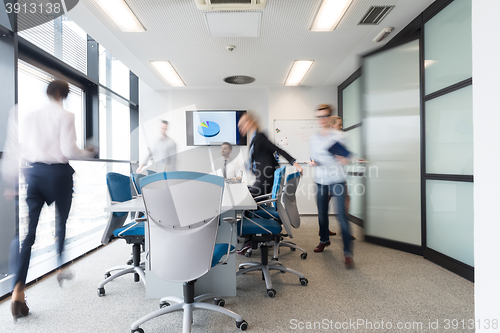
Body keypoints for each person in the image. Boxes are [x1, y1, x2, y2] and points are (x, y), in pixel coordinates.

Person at [1, 80, 96, 320]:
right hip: (58, 175)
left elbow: (16, 149)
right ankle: (61, 265)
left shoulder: (30, 115)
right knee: (61, 221)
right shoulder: (66, 115)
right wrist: (89, 152)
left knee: (28, 234)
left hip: (34, 175)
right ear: (64, 95)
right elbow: (70, 150)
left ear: (47, 92)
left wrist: (12, 183)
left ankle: (18, 290)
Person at [309, 104, 354, 269]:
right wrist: (312, 162)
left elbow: (346, 157)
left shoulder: (339, 136)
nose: (322, 119)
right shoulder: (313, 139)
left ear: (329, 117)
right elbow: (313, 157)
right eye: (319, 117)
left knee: (342, 216)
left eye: (325, 116)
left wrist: (344, 159)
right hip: (320, 179)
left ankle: (348, 252)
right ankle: (324, 240)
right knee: (321, 214)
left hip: (337, 180)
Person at [238, 113, 303, 197]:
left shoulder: (260, 137)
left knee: (243, 199)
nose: (240, 128)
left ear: (250, 122)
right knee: (243, 193)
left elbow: (277, 149)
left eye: (242, 125)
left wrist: (294, 163)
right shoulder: (254, 139)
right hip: (260, 181)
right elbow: (256, 157)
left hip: (264, 182)